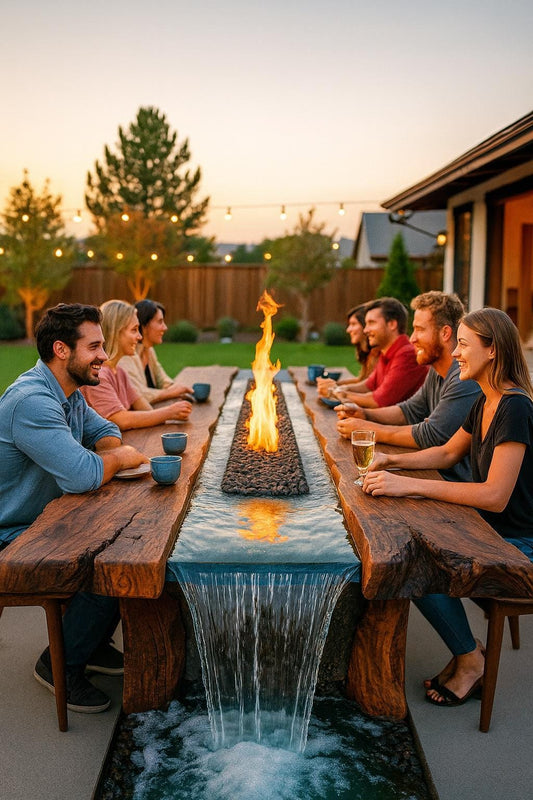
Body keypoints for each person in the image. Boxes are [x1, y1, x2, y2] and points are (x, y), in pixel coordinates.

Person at [362, 308, 533, 707]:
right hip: (489, 531)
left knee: (414, 564)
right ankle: (468, 653)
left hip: (519, 546)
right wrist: (391, 461)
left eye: (463, 345)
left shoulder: (515, 407)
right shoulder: (486, 401)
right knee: (409, 543)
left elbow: (495, 495)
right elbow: (445, 453)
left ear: (492, 350)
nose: (455, 353)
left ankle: (471, 660)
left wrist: (408, 486)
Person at [0, 303, 148, 713]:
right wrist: (120, 458)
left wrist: (107, 452)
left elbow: (106, 429)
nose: (104, 355)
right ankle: (58, 665)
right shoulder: (32, 401)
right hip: (12, 532)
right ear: (61, 350)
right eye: (94, 346)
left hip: (48, 517)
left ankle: (90, 643)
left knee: (130, 537)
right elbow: (83, 476)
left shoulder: (68, 394)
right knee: (109, 563)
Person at [335, 291, 481, 481]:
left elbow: (432, 435)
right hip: (433, 470)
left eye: (420, 329)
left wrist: (369, 430)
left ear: (445, 333)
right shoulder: (436, 371)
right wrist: (365, 414)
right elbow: (410, 410)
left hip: (455, 482)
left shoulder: (464, 379)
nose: (412, 338)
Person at [82, 299, 192, 430]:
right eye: (134, 330)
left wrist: (172, 413)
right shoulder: (98, 376)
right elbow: (119, 419)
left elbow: (145, 408)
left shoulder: (119, 372)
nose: (140, 337)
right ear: (115, 332)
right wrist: (169, 412)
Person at [318, 297, 428, 408]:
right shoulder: (386, 351)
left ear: (392, 324)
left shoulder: (407, 354)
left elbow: (379, 401)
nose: (365, 330)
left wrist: (337, 393)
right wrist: (342, 388)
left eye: (371, 323)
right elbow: (368, 385)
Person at [119, 299, 193, 404]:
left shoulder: (149, 350)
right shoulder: (126, 355)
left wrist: (178, 389)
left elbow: (163, 380)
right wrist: (171, 392)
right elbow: (138, 395)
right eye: (160, 322)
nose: (165, 327)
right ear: (144, 326)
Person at [317, 302, 379, 395]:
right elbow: (362, 380)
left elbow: (370, 387)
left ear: (365, 325)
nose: (348, 330)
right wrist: (334, 384)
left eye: (353, 324)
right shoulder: (367, 353)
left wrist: (337, 388)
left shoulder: (377, 355)